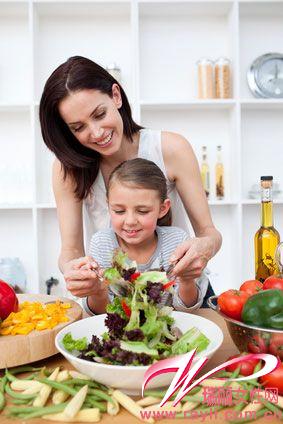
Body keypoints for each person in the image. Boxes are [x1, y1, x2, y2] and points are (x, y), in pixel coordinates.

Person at [39, 55, 222, 303]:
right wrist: (75, 269)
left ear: (116, 95)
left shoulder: (171, 148)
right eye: (78, 127)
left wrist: (202, 250)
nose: (96, 133)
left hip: (182, 296)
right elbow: (71, 250)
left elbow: (209, 233)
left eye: (99, 114)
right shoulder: (68, 169)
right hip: (115, 301)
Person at [79, 158, 209, 315]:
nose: (130, 221)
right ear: (108, 206)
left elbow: (187, 308)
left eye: (142, 211)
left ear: (162, 208)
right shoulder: (102, 243)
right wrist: (97, 291)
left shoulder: (176, 241)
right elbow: (100, 313)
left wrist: (187, 281)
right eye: (119, 211)